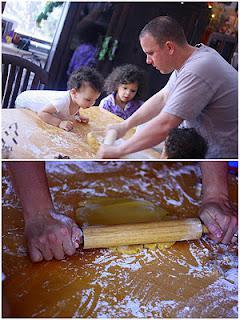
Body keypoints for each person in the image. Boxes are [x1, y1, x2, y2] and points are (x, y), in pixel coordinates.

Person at [6, 161, 237, 262]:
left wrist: (217, 195)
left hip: (162, 170)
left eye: (151, 55)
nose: (147, 61)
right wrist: (40, 213)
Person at [97, 16, 237, 159]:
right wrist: (125, 126)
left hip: (219, 157)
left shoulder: (198, 69)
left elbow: (166, 124)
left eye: (150, 53)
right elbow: (163, 97)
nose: (148, 61)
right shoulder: (193, 58)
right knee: (142, 129)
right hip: (199, 147)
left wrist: (118, 151)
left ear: (170, 47)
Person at [15, 67, 103, 132]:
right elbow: (42, 113)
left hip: (34, 103)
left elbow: (73, 108)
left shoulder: (77, 100)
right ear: (74, 92)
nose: (92, 104)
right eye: (88, 100)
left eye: (94, 100)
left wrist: (77, 116)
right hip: (24, 102)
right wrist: (59, 123)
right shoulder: (62, 101)